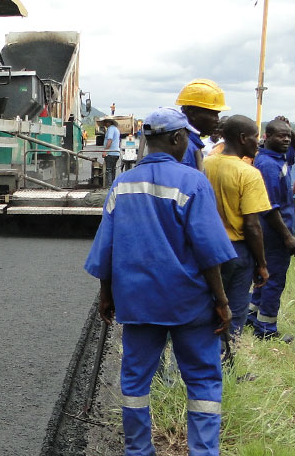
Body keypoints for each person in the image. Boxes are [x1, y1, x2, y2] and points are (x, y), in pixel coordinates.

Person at [85, 107, 235, 456]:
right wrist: (222, 301)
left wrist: (106, 295)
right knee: (202, 381)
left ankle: (138, 451)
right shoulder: (192, 181)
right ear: (178, 137)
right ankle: (203, 452)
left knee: (135, 383)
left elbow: (106, 246)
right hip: (190, 304)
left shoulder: (122, 184)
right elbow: (209, 251)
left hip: (138, 303)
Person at [203, 115, 272, 337]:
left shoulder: (205, 164)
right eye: (255, 137)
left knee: (208, 308)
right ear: (243, 138)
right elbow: (252, 225)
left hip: (208, 248)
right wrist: (261, 263)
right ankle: (227, 364)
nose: (257, 142)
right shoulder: (248, 174)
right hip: (237, 251)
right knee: (235, 311)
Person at [247, 120, 295, 341]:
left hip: (277, 229)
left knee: (265, 277)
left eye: (288, 136)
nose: (287, 140)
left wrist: (289, 128)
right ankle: (266, 329)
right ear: (267, 136)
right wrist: (288, 237)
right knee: (273, 279)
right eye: (281, 136)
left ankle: (253, 316)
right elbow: (269, 207)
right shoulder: (268, 166)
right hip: (273, 232)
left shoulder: (279, 156)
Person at [175, 79, 230, 171]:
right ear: (193, 114)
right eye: (213, 114)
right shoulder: (185, 148)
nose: (217, 120)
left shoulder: (189, 143)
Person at [101, 118, 121, 186]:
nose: (105, 124)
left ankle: (109, 185)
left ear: (109, 123)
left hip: (111, 152)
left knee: (109, 170)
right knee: (113, 170)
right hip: (116, 152)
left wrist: (105, 151)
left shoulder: (111, 129)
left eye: (106, 122)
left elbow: (110, 140)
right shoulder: (116, 129)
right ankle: (113, 184)